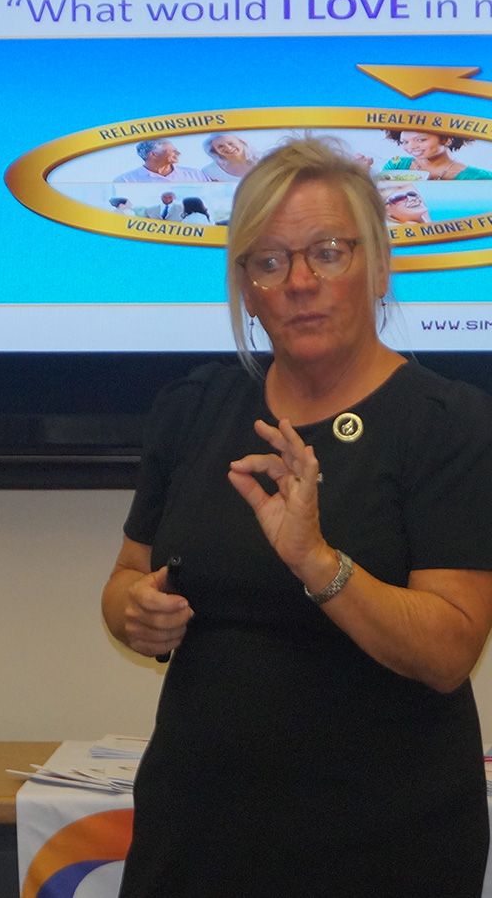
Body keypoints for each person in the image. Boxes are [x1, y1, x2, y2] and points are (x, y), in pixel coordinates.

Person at [102, 137, 492, 897]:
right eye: (270, 262)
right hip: (197, 839)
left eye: (328, 252)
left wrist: (319, 563)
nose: (300, 283)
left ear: (379, 266)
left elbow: (450, 650)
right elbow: (124, 579)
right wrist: (133, 612)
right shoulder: (195, 409)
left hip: (383, 846)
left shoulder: (449, 424)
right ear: (246, 288)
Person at [381, 128, 492, 180]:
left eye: (421, 140)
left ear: (447, 140)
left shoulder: (479, 177)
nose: (411, 147)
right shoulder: (396, 164)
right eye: (405, 142)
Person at [114, 139, 210, 183]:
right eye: (173, 151)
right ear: (154, 154)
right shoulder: (125, 181)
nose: (179, 153)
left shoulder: (195, 174)